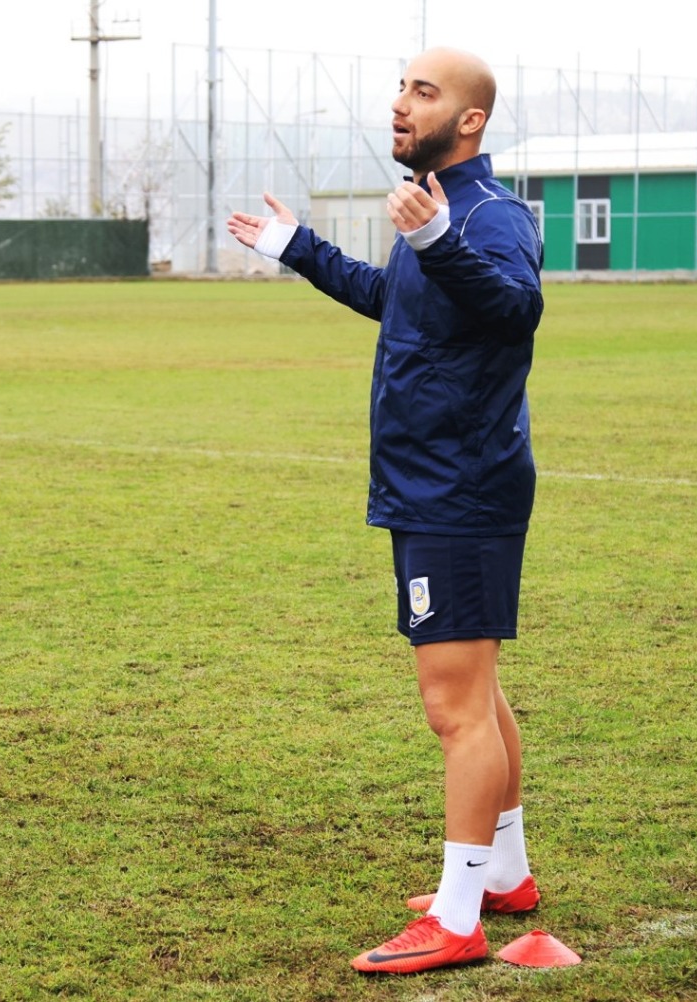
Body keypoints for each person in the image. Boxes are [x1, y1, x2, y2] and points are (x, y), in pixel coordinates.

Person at [227, 48, 544, 974]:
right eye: (402, 88)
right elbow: (396, 300)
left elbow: (515, 309)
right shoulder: (434, 209)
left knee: (455, 709)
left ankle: (457, 918)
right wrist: (300, 249)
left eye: (423, 92)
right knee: (477, 692)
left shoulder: (486, 215)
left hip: (460, 488)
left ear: (470, 120)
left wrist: (439, 242)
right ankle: (504, 875)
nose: (400, 104)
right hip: (429, 481)